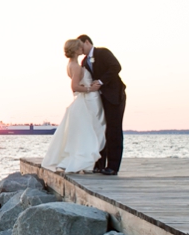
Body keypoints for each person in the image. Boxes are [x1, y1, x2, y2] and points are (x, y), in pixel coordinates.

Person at [42, 39, 106, 173]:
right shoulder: (76, 66)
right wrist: (90, 89)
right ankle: (84, 160)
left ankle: (85, 161)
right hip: (89, 99)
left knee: (86, 131)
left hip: (85, 98)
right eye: (79, 47)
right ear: (76, 50)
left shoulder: (71, 64)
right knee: (96, 129)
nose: (82, 49)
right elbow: (75, 87)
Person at [78, 34, 126, 175]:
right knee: (99, 129)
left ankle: (113, 166)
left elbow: (116, 67)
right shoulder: (84, 62)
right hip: (97, 99)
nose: (80, 50)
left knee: (114, 129)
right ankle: (99, 164)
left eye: (81, 46)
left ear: (87, 42)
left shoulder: (103, 52)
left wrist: (100, 81)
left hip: (114, 96)